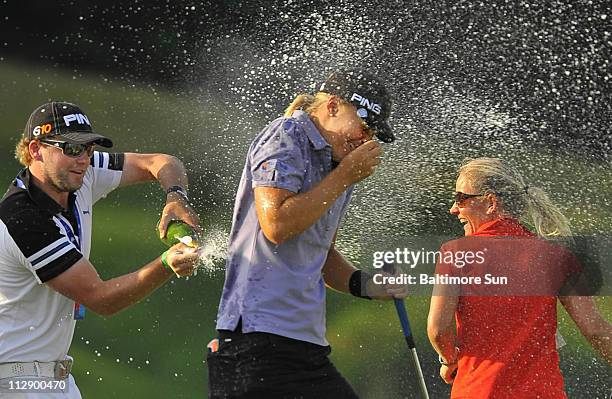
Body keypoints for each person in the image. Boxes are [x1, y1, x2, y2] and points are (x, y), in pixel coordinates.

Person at [207, 69, 408, 399]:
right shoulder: (287, 135)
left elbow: (321, 255)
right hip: (257, 340)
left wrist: (369, 286)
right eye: (364, 126)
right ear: (332, 107)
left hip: (305, 344)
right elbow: (277, 226)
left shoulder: (338, 165)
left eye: (372, 133)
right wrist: (344, 176)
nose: (366, 139)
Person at [0, 101, 202, 398]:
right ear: (35, 150)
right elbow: (101, 298)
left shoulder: (78, 174)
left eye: (88, 149)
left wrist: (176, 196)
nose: (83, 159)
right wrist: (166, 264)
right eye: (70, 148)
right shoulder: (23, 219)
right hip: (19, 381)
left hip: (51, 378)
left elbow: (159, 161)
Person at [427, 157, 612, 399]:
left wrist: (449, 360)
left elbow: (438, 329)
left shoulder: (456, 253)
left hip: (479, 391)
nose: (453, 209)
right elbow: (596, 330)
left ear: (491, 202)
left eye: (461, 199)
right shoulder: (555, 256)